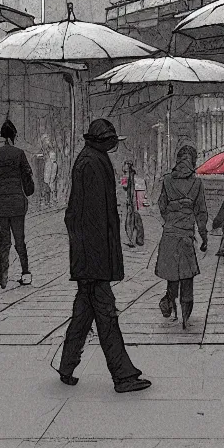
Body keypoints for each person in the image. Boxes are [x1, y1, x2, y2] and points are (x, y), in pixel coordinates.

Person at [58, 119, 151, 394]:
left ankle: (67, 365)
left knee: (83, 314)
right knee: (107, 316)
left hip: (89, 256)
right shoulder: (93, 163)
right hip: (93, 258)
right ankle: (122, 375)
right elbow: (95, 218)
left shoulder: (90, 159)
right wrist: (100, 263)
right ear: (102, 140)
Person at [156, 145, 209, 329]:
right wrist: (203, 235)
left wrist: (171, 219)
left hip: (170, 234)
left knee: (172, 274)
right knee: (187, 275)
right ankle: (186, 315)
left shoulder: (167, 181)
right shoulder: (197, 184)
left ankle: (170, 300)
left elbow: (161, 206)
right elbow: (201, 212)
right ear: (193, 161)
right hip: (186, 235)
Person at [0, 120, 35, 289]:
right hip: (17, 203)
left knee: (4, 241)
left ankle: (3, 274)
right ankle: (25, 273)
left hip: (0, 204)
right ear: (14, 136)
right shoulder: (19, 153)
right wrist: (28, 190)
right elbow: (27, 175)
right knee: (20, 240)